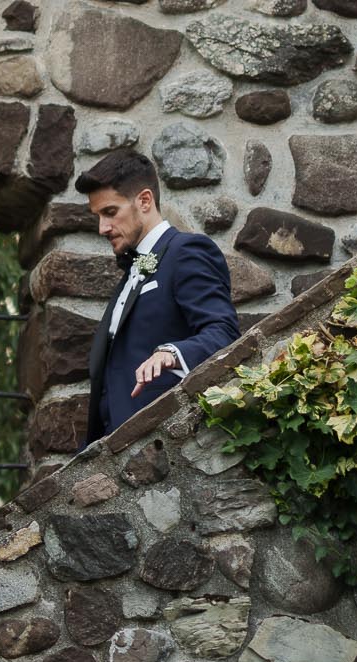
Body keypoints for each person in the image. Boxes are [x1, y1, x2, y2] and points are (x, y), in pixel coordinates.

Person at [78, 150, 240, 444]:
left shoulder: (186, 252)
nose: (102, 228)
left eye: (110, 212)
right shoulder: (133, 268)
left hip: (164, 444)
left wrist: (173, 353)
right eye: (98, 217)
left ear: (144, 201)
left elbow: (225, 333)